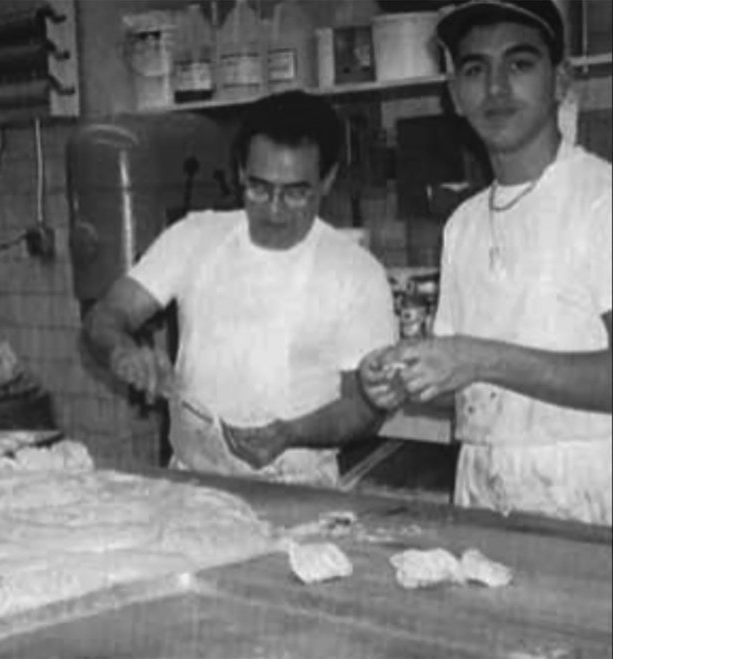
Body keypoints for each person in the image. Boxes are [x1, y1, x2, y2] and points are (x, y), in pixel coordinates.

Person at [359, 0, 612, 525]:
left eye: (519, 64)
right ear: (454, 93)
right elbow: (466, 386)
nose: (495, 88)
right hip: (480, 491)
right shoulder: (464, 225)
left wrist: (477, 357)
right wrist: (402, 381)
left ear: (560, 79)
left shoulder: (605, 200)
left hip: (594, 494)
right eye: (475, 69)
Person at [84, 90, 397, 487]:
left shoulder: (356, 274)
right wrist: (122, 350)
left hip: (299, 490)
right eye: (259, 188)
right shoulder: (194, 237)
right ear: (239, 172)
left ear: (328, 179)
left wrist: (292, 433)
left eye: (296, 192)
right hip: (191, 485)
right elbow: (104, 317)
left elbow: (366, 407)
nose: (274, 210)